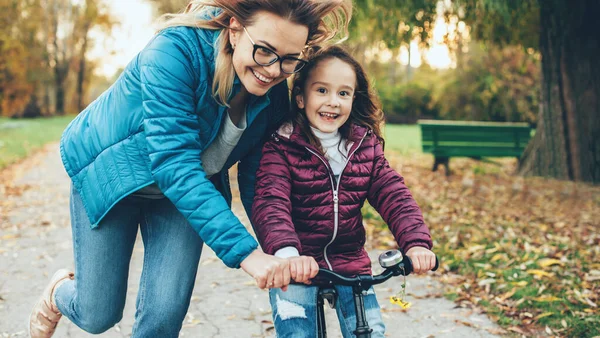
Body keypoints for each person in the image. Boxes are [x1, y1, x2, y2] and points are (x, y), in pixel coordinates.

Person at [28, 1, 352, 337]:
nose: (273, 70)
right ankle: (59, 292)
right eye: (264, 51)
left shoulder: (274, 94)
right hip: (114, 177)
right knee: (97, 315)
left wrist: (285, 248)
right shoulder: (173, 52)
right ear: (235, 28)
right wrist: (247, 253)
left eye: (289, 59)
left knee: (163, 317)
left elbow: (261, 181)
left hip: (182, 195)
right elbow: (174, 163)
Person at [251, 45, 436, 337]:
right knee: (296, 333)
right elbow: (270, 202)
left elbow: (394, 195)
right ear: (300, 98)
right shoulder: (281, 146)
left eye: (343, 93)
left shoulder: (364, 147)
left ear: (353, 99)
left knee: (370, 332)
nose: (333, 102)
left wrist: (415, 243)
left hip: (350, 262)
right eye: (322, 90)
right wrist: (286, 254)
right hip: (296, 263)